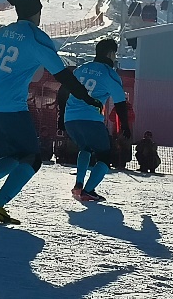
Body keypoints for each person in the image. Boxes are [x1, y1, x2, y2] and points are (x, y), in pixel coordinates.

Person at [0, 0, 102, 224]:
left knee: (18, 155)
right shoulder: (37, 39)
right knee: (33, 159)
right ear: (37, 12)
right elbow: (63, 76)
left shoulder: (2, 33)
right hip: (12, 107)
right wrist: (88, 98)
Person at [54, 38, 130, 202]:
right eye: (115, 54)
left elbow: (62, 91)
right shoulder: (110, 74)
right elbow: (120, 104)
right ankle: (88, 190)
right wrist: (125, 125)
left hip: (70, 119)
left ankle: (79, 184)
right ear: (110, 53)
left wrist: (61, 116)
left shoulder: (82, 69)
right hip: (90, 120)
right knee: (105, 156)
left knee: (85, 148)